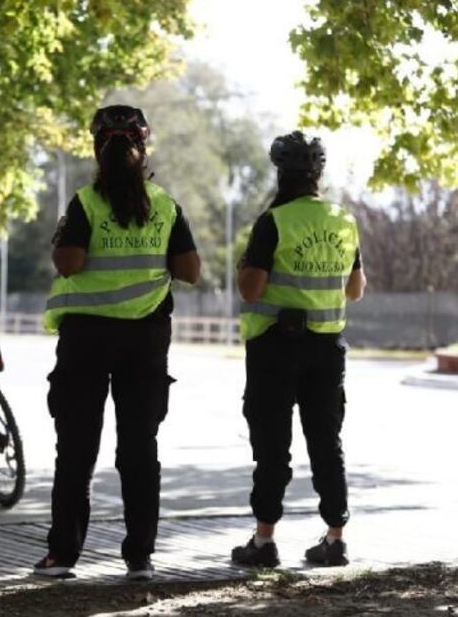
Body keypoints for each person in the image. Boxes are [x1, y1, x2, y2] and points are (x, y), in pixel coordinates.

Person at [34, 105, 201, 581]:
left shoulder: (86, 203)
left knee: (77, 448)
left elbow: (68, 263)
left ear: (96, 149)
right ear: (143, 148)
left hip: (86, 338)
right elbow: (190, 271)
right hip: (145, 339)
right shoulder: (165, 205)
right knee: (139, 450)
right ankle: (140, 558)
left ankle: (63, 556)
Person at [230, 131, 366, 568]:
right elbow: (356, 290)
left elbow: (251, 290)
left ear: (280, 173)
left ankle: (264, 540)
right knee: (326, 441)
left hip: (275, 347)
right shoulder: (343, 220)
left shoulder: (274, 221)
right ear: (318, 174)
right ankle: (336, 538)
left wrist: (246, 266)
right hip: (327, 349)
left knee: (273, 444)